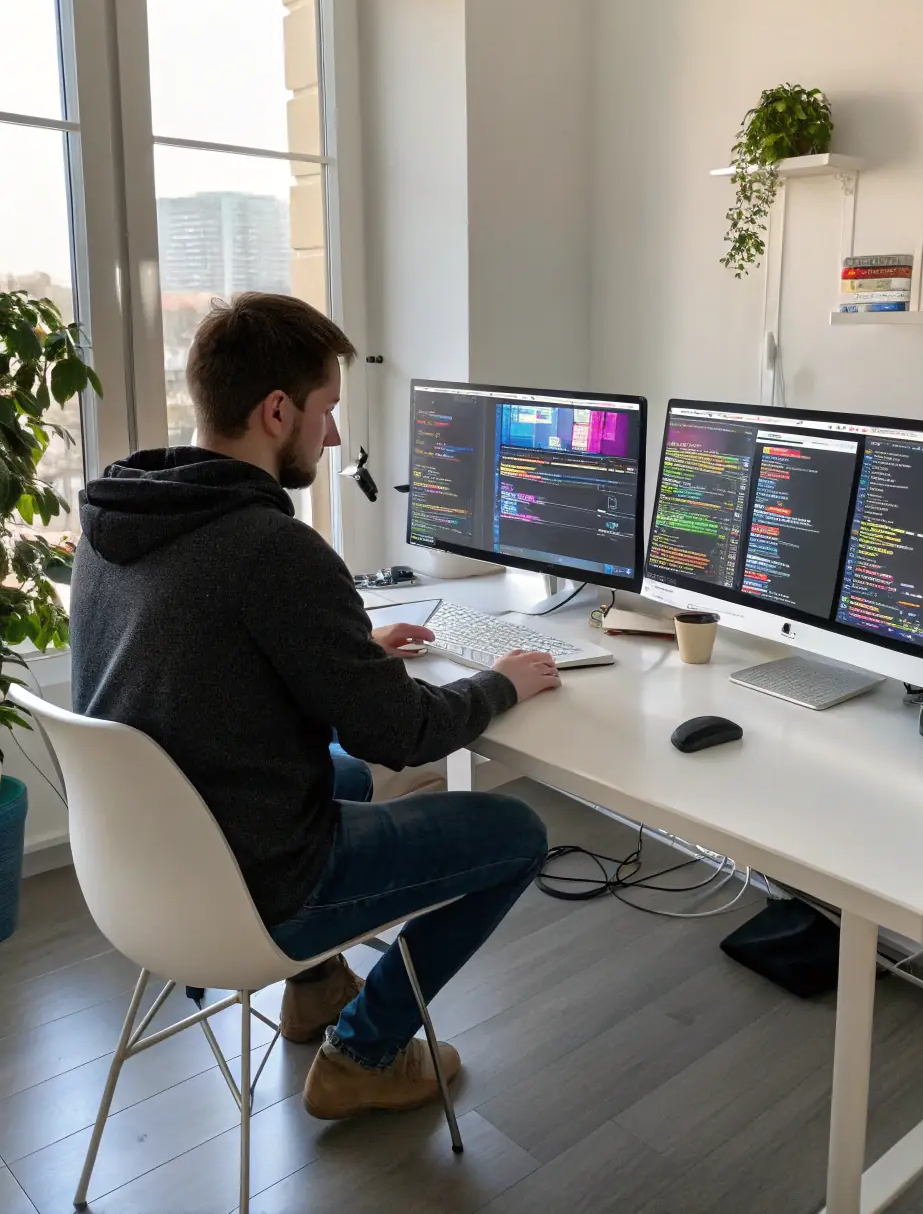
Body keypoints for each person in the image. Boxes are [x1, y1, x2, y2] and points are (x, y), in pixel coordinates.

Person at [70, 291, 559, 1121]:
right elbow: (400, 734)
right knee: (518, 834)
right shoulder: (270, 549)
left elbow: (207, 665)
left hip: (141, 871)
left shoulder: (120, 513)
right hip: (255, 887)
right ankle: (363, 1053)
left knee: (342, 776)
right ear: (275, 410)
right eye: (327, 411)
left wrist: (349, 652)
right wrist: (503, 680)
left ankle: (315, 987)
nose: (333, 436)